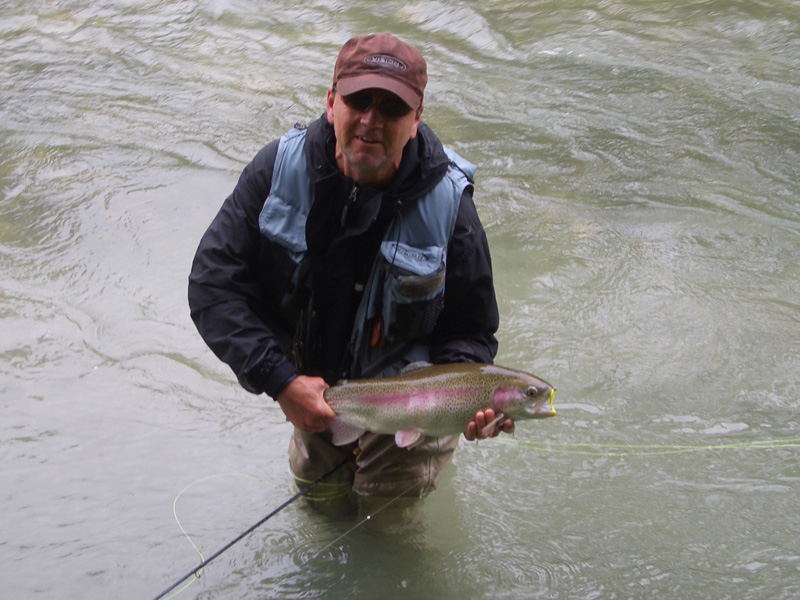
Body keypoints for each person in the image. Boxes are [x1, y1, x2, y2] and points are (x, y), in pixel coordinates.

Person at [188, 33, 513, 512]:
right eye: (359, 100)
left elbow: (471, 331)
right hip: (314, 391)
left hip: (412, 406)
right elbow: (213, 286)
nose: (371, 120)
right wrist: (280, 380)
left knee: (386, 528)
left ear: (416, 119)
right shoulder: (275, 171)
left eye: (392, 108)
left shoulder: (451, 208)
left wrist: (467, 404)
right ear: (331, 102)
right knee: (320, 506)